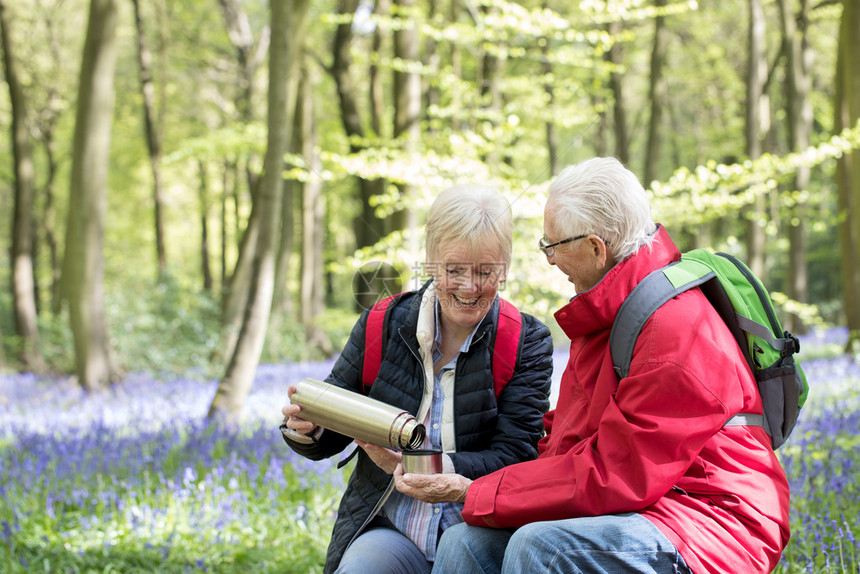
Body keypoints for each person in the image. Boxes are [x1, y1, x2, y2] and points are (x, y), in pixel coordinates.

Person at [396, 157, 791, 574]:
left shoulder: (674, 328)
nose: (548, 258)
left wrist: (473, 492)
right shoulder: (611, 316)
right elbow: (566, 445)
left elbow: (616, 474)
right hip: (647, 507)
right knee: (466, 541)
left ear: (595, 248)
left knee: (542, 547)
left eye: (553, 244)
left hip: (711, 521)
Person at [280, 185, 554, 574]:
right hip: (393, 529)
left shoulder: (526, 341)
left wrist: (424, 465)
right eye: (453, 270)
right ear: (429, 262)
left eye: (485, 271)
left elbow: (516, 458)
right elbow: (334, 425)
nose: (469, 287)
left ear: (505, 268)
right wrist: (307, 429)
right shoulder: (382, 324)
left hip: (478, 532)